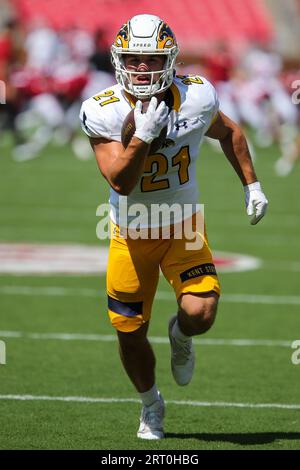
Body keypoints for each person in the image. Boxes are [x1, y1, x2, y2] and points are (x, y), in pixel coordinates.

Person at [79, 14, 268, 440]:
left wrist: (252, 184)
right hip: (131, 233)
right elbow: (120, 182)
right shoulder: (102, 109)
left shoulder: (198, 96)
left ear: (170, 59)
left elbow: (230, 132)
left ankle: (180, 334)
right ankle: (151, 406)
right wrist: (142, 136)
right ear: (118, 58)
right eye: (133, 58)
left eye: (151, 58)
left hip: (183, 226)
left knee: (200, 312)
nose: (141, 67)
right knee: (129, 333)